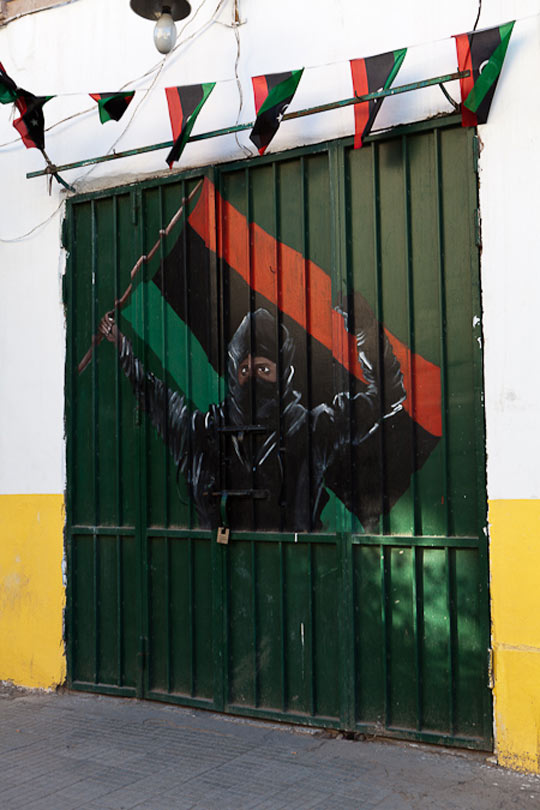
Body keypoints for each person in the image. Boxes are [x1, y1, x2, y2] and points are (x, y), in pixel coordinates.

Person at [99, 301, 406, 532]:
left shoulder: (310, 429)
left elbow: (385, 398)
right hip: (222, 572)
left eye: (263, 369)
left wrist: (366, 330)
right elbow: (156, 397)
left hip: (296, 571)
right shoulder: (208, 431)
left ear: (282, 374)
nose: (252, 378)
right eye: (245, 370)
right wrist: (122, 345)